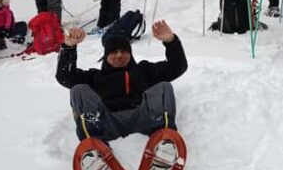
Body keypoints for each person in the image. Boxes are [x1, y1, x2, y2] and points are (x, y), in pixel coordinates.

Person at [56, 20, 188, 143]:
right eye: (113, 52)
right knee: (78, 90)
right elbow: (65, 76)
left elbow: (177, 67)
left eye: (123, 51)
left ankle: (164, 142)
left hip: (143, 119)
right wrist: (69, 47)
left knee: (163, 87)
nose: (119, 55)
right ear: (106, 56)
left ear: (130, 54)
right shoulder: (95, 77)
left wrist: (170, 41)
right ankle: (93, 148)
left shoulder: (144, 71)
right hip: (106, 123)